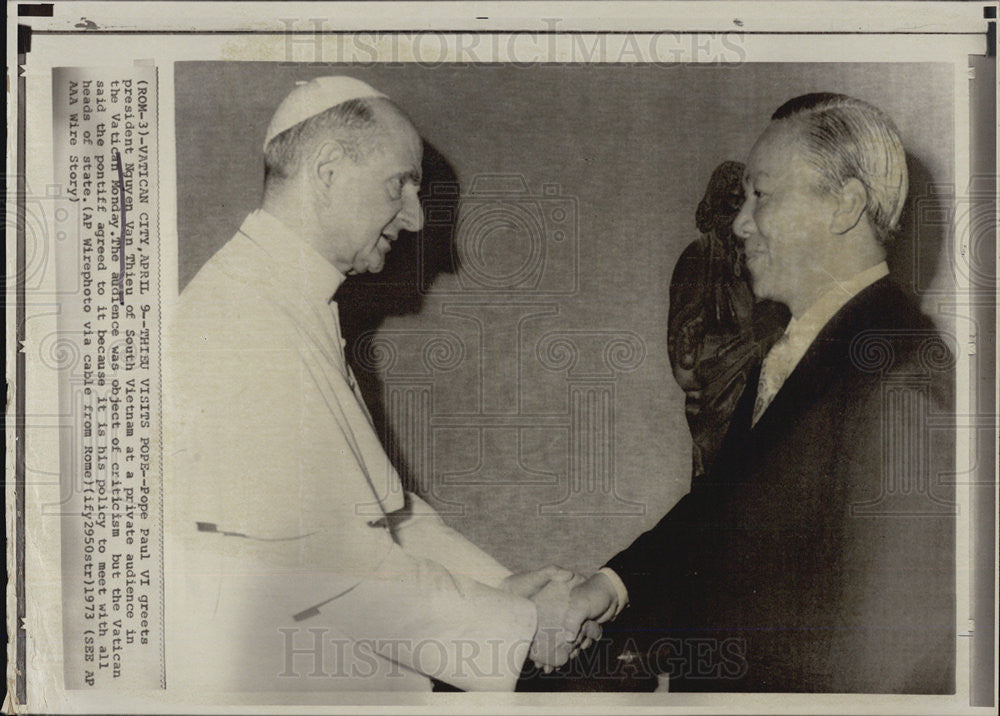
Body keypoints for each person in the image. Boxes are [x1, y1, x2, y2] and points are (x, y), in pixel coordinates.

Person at [164, 76, 596, 693]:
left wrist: (500, 586)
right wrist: (524, 628)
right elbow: (332, 567)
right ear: (329, 169)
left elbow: (382, 513)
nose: (418, 218)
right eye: (402, 183)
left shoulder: (291, 301)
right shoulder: (238, 317)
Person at [564, 93, 956, 693]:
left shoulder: (902, 370)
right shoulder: (798, 342)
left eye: (761, 196)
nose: (740, 222)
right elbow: (720, 513)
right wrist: (612, 587)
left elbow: (893, 656)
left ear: (845, 206)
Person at [668, 160, 789, 480]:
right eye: (733, 201)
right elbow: (685, 369)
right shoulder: (699, 257)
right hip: (718, 406)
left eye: (750, 200)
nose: (741, 216)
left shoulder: (764, 262)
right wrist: (748, 349)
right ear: (715, 205)